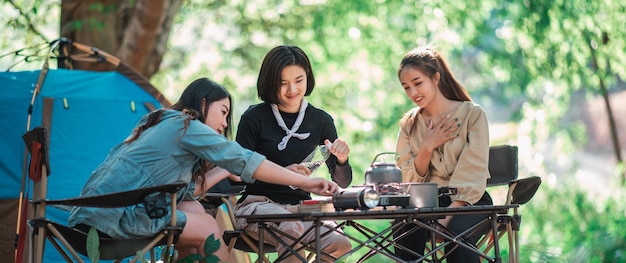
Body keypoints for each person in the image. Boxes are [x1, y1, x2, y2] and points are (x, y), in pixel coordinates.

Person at [67, 78, 338, 262]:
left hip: (89, 218)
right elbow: (246, 160)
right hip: (112, 222)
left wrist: (221, 169)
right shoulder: (185, 125)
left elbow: (186, 192)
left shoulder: (160, 121)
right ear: (204, 103)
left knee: (194, 209)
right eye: (222, 112)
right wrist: (306, 183)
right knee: (207, 223)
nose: (223, 124)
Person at [233, 45, 353, 262]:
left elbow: (342, 182)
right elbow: (237, 175)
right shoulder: (254, 118)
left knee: (340, 243)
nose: (292, 89)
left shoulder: (321, 120)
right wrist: (282, 173)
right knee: (291, 228)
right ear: (270, 82)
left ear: (308, 77)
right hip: (256, 205)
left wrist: (342, 160)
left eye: (299, 80)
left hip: (301, 208)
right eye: (282, 83)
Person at [392, 44, 493, 262]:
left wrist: (449, 217)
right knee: (403, 228)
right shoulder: (409, 125)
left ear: (435, 78)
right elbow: (405, 180)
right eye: (406, 87)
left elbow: (473, 169)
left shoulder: (472, 115)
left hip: (470, 202)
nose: (413, 92)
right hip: (425, 203)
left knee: (456, 233)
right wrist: (427, 147)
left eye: (418, 83)